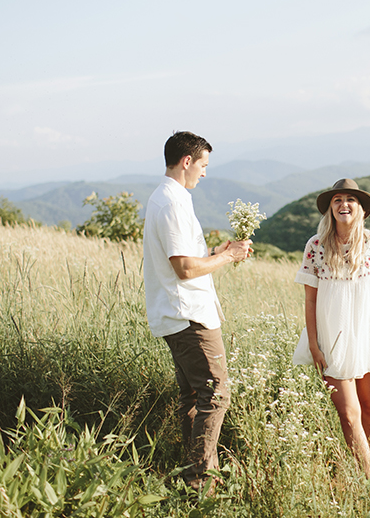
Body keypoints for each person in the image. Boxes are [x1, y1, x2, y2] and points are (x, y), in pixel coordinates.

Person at [143, 131, 252, 491]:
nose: (204, 173)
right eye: (203, 165)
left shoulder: (167, 198)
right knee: (216, 393)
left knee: (193, 395)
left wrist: (215, 253)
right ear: (187, 161)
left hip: (178, 313)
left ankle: (191, 474)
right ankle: (199, 480)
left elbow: (187, 260)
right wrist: (228, 256)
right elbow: (184, 269)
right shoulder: (172, 203)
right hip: (188, 315)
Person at [292, 178, 370, 479]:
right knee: (349, 412)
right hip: (332, 335)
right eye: (337, 200)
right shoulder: (316, 246)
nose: (344, 205)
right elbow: (310, 300)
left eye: (350, 200)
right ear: (330, 209)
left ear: (361, 209)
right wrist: (314, 345)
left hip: (367, 331)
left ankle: (367, 466)